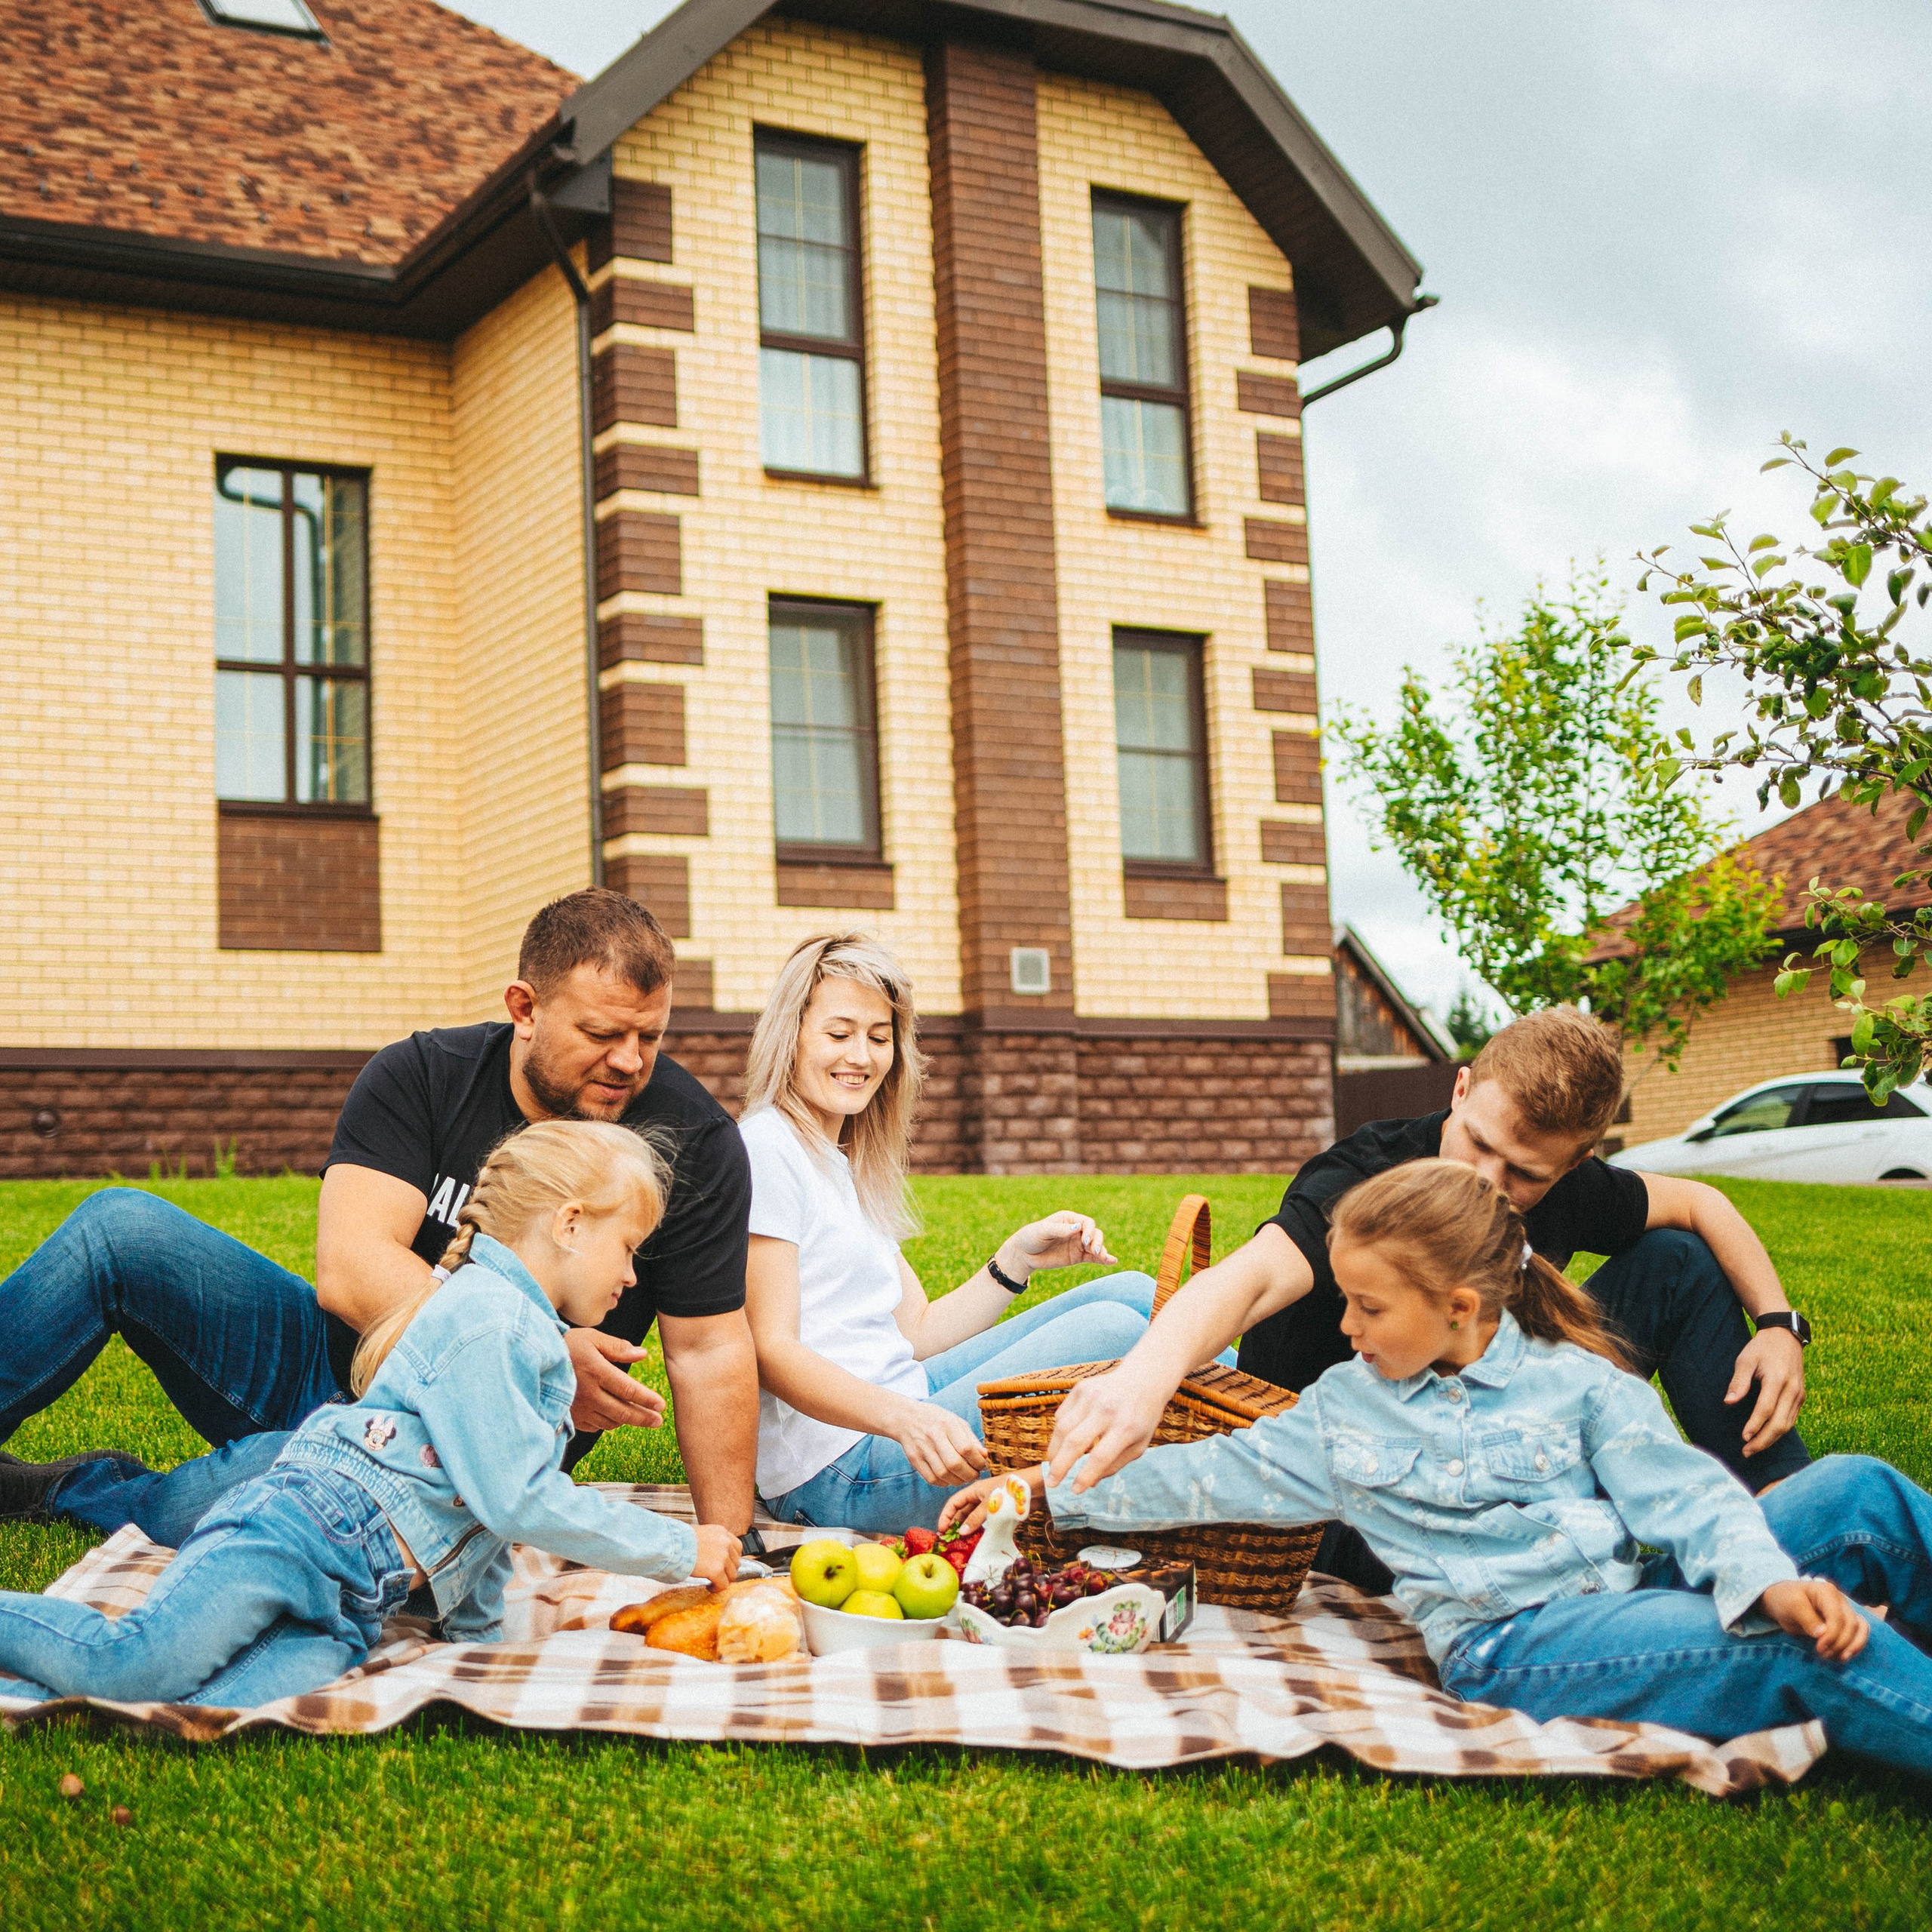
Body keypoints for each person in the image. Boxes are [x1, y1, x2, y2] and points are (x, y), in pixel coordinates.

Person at [946, 1160, 1932, 1778]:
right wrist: (1036, 1488)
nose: (1345, 1326)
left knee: (1862, 1493)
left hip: (1632, 1584)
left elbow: (1685, 1494)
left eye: (1369, 1307)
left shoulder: (1570, 1379)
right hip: (1519, 1644)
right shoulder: (1347, 1413)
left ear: (1461, 1307)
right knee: (1804, 1644)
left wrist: (1757, 1574)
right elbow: (1202, 1477)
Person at [0, 891, 760, 1549]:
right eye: (601, 1035)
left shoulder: (692, 1142)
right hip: (329, 1363)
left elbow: (709, 1352)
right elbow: (351, 1269)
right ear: (524, 1008)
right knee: (120, 1228)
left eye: (649, 1037)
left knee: (238, 1498)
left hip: (461, 1449)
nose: (629, 1061)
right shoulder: (423, 1074)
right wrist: (546, 1354)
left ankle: (70, 1490)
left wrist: (727, 1543)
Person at [1041, 1005, 1813, 1592]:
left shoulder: (1567, 1188)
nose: (1487, 1181)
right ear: (1461, 1088)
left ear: (1576, 1161)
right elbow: (1251, 1279)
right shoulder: (1365, 1176)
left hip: (1494, 1434)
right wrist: (1142, 1381)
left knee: (1677, 1260)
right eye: (1477, 1141)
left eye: (1525, 1174)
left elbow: (1702, 1204)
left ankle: (1787, 1516)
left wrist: (1778, 1325)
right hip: (1354, 1486)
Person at [0, 1121, 741, 1709]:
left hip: (355, 1599)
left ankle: (53, 1689)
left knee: (236, 1697)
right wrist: (680, 1547)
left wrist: (477, 1646)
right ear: (570, 1224)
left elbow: (481, 1521)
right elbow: (516, 1500)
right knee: (134, 1665)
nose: (632, 1276)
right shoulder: (493, 1320)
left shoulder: (528, 1334)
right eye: (629, 1248)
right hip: (297, 1531)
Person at [743, 934, 1192, 1535]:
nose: (862, 1056)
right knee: (1116, 1330)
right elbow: (772, 1351)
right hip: (839, 1472)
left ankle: (1273, 1419)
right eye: (839, 1033)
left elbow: (918, 1331)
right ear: (792, 1035)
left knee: (1134, 1293)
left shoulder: (839, 1158)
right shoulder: (768, 1149)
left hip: (906, 1400)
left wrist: (1017, 1260)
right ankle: (1275, 1440)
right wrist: (906, 1419)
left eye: (879, 1037)